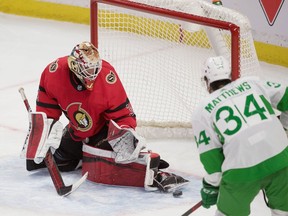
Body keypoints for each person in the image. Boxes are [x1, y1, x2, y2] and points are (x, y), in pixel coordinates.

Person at [23, 41, 188, 192]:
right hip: (77, 130)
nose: (93, 73)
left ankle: (156, 174)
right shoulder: (54, 72)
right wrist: (42, 132)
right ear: (73, 66)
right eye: (87, 69)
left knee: (115, 163)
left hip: (105, 131)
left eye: (95, 67)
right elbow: (47, 112)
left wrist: (123, 136)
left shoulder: (107, 77)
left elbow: (123, 115)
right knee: (50, 163)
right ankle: (83, 156)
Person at [191, 56, 288, 215]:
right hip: (281, 159)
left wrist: (211, 187)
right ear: (230, 75)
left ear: (207, 81)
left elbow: (211, 157)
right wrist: (284, 126)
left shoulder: (201, 111)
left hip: (241, 170)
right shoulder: (253, 83)